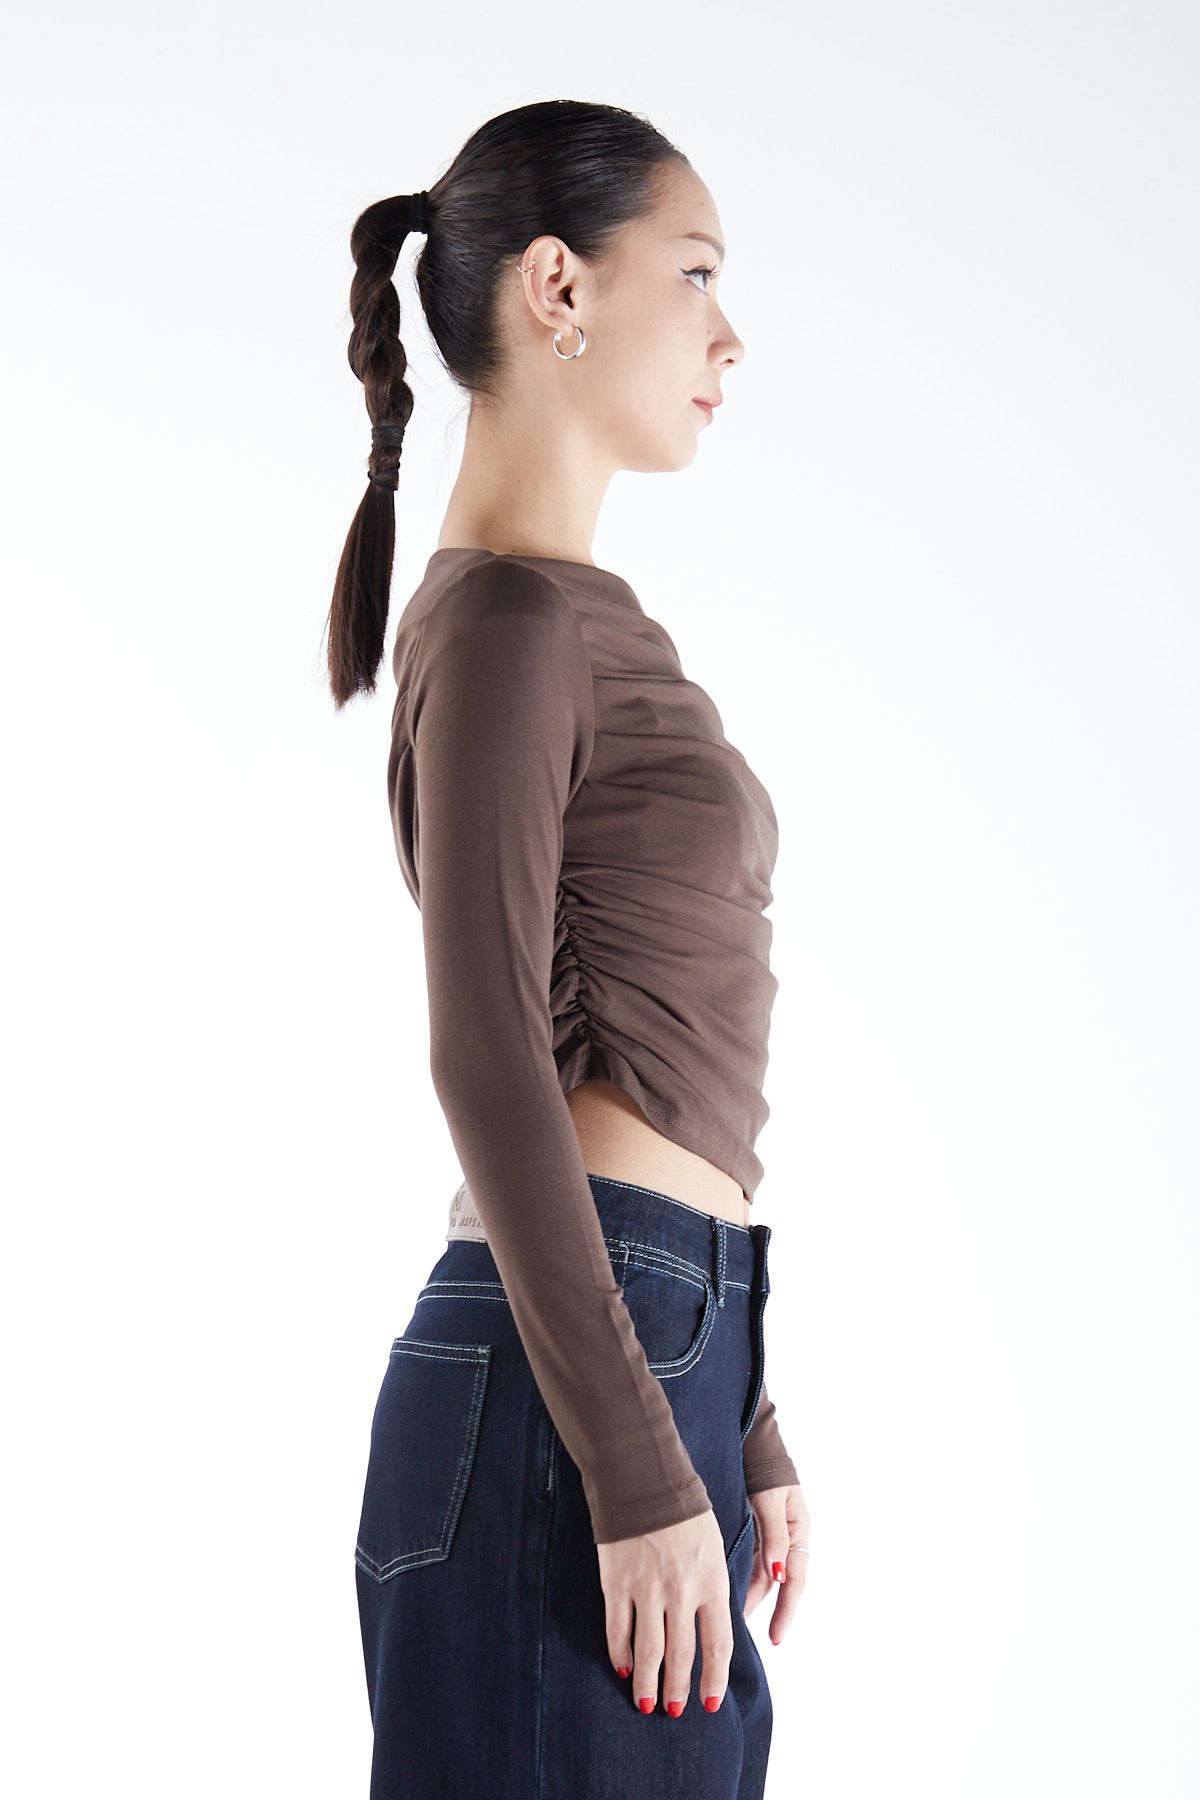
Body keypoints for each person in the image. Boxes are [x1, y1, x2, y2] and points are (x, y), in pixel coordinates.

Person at [326, 98, 812, 1798]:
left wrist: (734, 1409)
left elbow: (596, 1033)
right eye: (697, 274)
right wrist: (636, 1453)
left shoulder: (553, 616)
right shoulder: (515, 619)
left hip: (640, 1345)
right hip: (579, 1389)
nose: (728, 338)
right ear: (558, 286)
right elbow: (486, 1055)